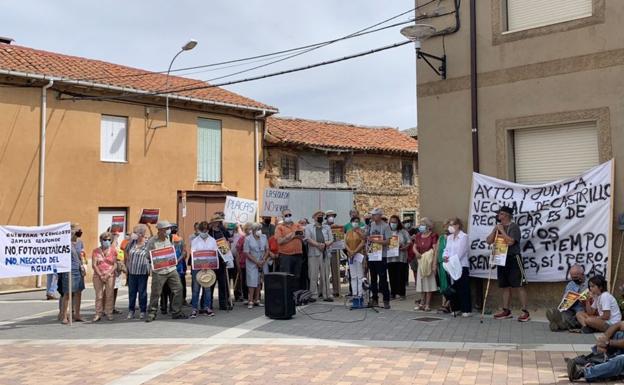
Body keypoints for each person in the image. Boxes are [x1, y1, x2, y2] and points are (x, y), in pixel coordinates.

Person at [486, 206, 530, 322]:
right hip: (501, 258)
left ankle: (525, 311)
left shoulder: (514, 227)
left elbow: (510, 242)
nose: (498, 216)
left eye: (500, 214)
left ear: (505, 215)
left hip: (513, 258)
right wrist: (495, 230)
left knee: (519, 285)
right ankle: (506, 310)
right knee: (505, 286)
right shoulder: (498, 227)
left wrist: (501, 231)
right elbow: (489, 241)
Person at [145, 220, 187, 322]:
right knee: (156, 293)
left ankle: (176, 312)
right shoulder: (152, 241)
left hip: (172, 269)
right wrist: (156, 258)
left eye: (169, 228)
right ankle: (152, 313)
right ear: (160, 230)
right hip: (159, 271)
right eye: (166, 229)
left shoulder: (170, 238)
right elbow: (147, 255)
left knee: (178, 289)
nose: (169, 230)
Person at [443, 218, 471, 317]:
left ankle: (466, 309)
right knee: (453, 288)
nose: (450, 227)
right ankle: (456, 308)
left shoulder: (464, 237)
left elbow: (461, 252)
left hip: (461, 265)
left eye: (452, 224)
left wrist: (451, 260)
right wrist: (445, 257)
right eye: (449, 225)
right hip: (450, 266)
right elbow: (446, 249)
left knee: (463, 287)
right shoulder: (449, 237)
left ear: (458, 225)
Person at [545, 264, 587, 331]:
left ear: (582, 274)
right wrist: (566, 301)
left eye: (576, 277)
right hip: (571, 309)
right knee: (565, 313)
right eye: (572, 277)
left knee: (575, 317)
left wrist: (581, 297)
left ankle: (559, 324)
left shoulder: (590, 283)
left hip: (583, 309)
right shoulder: (570, 284)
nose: (574, 279)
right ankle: (558, 322)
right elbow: (565, 298)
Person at [189, 221, 217, 318]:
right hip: (197, 268)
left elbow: (214, 254)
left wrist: (208, 265)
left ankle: (207, 308)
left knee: (207, 289)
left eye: (206, 230)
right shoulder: (195, 241)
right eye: (202, 230)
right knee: (196, 289)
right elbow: (194, 255)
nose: (204, 232)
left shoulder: (213, 240)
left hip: (208, 268)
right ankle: (194, 308)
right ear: (199, 230)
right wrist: (201, 265)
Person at [59, 225, 86, 324]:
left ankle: (77, 314)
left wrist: (83, 266)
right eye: (77, 230)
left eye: (80, 230)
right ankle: (64, 316)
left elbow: (82, 255)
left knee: (78, 292)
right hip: (69, 270)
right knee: (67, 293)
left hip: (79, 269)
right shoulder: (66, 243)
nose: (79, 231)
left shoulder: (80, 243)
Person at [366, 208, 392, 309]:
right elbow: (367, 237)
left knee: (383, 278)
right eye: (372, 215)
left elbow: (388, 242)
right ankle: (374, 299)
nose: (372, 217)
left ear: (380, 215)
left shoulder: (385, 226)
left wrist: (376, 241)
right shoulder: (371, 225)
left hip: (382, 255)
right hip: (372, 254)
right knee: (373, 278)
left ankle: (386, 300)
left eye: (374, 215)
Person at [306, 210, 333, 302]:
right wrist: (318, 245)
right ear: (314, 217)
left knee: (325, 274)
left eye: (322, 215)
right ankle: (313, 295)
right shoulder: (309, 227)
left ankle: (327, 294)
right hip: (313, 253)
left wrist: (325, 245)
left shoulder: (327, 227)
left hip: (325, 252)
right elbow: (308, 239)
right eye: (319, 215)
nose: (321, 217)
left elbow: (331, 239)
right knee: (313, 275)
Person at [413, 217, 439, 311]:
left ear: (428, 226)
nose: (420, 226)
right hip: (420, 261)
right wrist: (416, 253)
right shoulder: (418, 235)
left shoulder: (433, 236)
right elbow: (414, 246)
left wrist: (434, 263)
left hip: (428, 262)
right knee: (421, 283)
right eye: (420, 224)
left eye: (422, 224)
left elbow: (435, 249)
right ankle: (421, 303)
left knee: (429, 283)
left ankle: (427, 304)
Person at [208, 214, 233, 311]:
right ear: (212, 222)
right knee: (211, 283)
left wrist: (228, 253)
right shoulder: (209, 232)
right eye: (216, 221)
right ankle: (208, 304)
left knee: (223, 284)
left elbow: (229, 241)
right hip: (212, 261)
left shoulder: (223, 230)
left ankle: (224, 304)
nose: (217, 222)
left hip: (222, 260)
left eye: (218, 221)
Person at [125, 224, 150, 320]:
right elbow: (126, 252)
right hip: (132, 271)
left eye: (135, 232)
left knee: (142, 292)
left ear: (141, 234)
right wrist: (128, 263)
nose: (133, 234)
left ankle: (143, 310)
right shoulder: (132, 243)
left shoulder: (148, 244)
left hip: (143, 272)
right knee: (132, 292)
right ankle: (131, 310)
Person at [92, 231, 117, 322]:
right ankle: (98, 313)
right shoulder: (95, 251)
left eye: (109, 240)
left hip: (110, 275)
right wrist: (101, 274)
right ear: (101, 240)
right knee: (99, 295)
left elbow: (115, 265)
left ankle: (109, 312)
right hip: (98, 275)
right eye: (105, 239)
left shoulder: (113, 250)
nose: (107, 241)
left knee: (109, 295)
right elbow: (94, 265)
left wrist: (108, 273)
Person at [275, 209, 305, 282]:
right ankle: (287, 293)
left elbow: (302, 236)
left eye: (289, 215)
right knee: (286, 276)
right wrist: (294, 235)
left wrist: (288, 237)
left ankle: (295, 292)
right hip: (286, 256)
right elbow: (279, 241)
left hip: (298, 254)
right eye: (286, 215)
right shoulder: (279, 227)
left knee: (297, 276)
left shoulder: (297, 225)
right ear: (283, 217)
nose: (288, 216)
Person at [244, 223, 269, 309]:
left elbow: (267, 250)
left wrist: (263, 260)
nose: (259, 231)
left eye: (260, 229)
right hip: (252, 262)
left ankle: (257, 299)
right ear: (254, 230)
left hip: (262, 261)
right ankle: (250, 300)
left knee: (259, 280)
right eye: (258, 229)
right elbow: (246, 252)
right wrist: (256, 261)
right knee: (252, 280)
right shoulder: (248, 239)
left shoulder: (264, 237)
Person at [387, 215, 410, 301]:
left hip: (401, 257)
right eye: (391, 222)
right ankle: (393, 293)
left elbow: (409, 242)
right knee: (392, 276)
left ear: (398, 222)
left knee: (401, 276)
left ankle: (402, 294)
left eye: (395, 222)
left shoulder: (403, 231)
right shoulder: (387, 231)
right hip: (390, 257)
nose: (393, 224)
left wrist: (405, 247)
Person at [345, 216, 365, 305]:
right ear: (351, 222)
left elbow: (363, 242)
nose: (355, 223)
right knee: (353, 276)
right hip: (350, 256)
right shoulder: (348, 232)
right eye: (354, 221)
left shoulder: (361, 232)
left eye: (357, 221)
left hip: (359, 255)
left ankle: (360, 294)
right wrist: (350, 251)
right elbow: (344, 243)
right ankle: (354, 294)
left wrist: (355, 251)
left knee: (359, 275)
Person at [324, 210, 341, 297]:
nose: (331, 217)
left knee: (335, 271)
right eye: (329, 216)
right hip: (326, 250)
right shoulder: (323, 226)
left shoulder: (337, 226)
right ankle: (325, 291)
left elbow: (340, 238)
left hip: (335, 251)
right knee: (325, 271)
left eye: (333, 216)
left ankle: (336, 290)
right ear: (326, 217)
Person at [435, 220, 452, 313]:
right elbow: (437, 251)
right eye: (444, 226)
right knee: (443, 285)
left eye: (448, 226)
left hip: (450, 264)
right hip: (441, 264)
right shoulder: (441, 238)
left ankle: (447, 304)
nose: (446, 228)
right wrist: (434, 264)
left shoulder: (454, 238)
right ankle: (443, 304)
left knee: (450, 284)